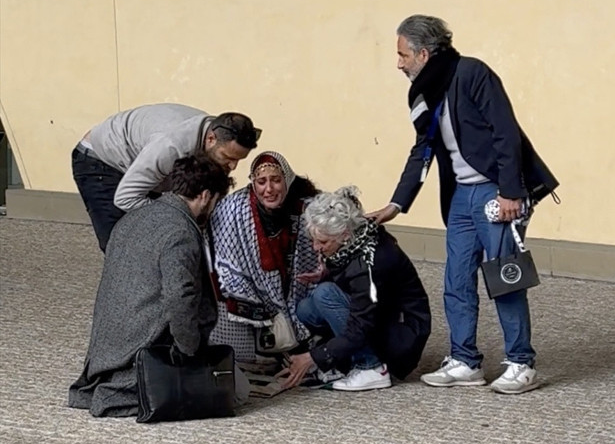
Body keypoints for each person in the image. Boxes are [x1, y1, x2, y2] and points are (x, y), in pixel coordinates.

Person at [369, 15, 558, 394]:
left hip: (495, 191)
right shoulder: (423, 91)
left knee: (505, 277)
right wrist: (396, 204)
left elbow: (505, 133)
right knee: (455, 280)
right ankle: (465, 361)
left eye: (402, 54)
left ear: (423, 53)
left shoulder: (472, 73)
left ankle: (521, 362)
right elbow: (422, 148)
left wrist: (510, 193)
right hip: (460, 197)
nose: (399, 63)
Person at [69, 154, 233, 418]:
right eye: (216, 201)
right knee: (230, 389)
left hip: (105, 349)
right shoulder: (180, 232)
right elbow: (181, 298)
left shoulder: (132, 218)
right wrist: (188, 355)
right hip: (138, 348)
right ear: (205, 196)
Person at [277, 186, 431, 392]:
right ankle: (345, 361)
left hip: (402, 335)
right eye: (313, 240)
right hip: (381, 315)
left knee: (325, 295)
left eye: (322, 241)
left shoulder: (370, 263)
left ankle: (371, 367)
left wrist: (314, 357)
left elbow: (361, 323)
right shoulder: (355, 241)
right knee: (307, 307)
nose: (315, 248)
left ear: (345, 234)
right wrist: (325, 272)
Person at [71, 103, 260, 250]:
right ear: (210, 139)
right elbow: (125, 198)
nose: (233, 166)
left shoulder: (217, 134)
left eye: (239, 160)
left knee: (169, 236)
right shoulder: (171, 146)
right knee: (120, 244)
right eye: (228, 158)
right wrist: (175, 216)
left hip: (144, 162)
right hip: (100, 161)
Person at [209, 151, 319, 363]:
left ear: (287, 180)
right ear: (253, 184)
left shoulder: (305, 209)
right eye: (261, 182)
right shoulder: (232, 209)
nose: (268, 189)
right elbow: (226, 266)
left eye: (276, 181)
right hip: (248, 294)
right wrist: (266, 303)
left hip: (294, 293)